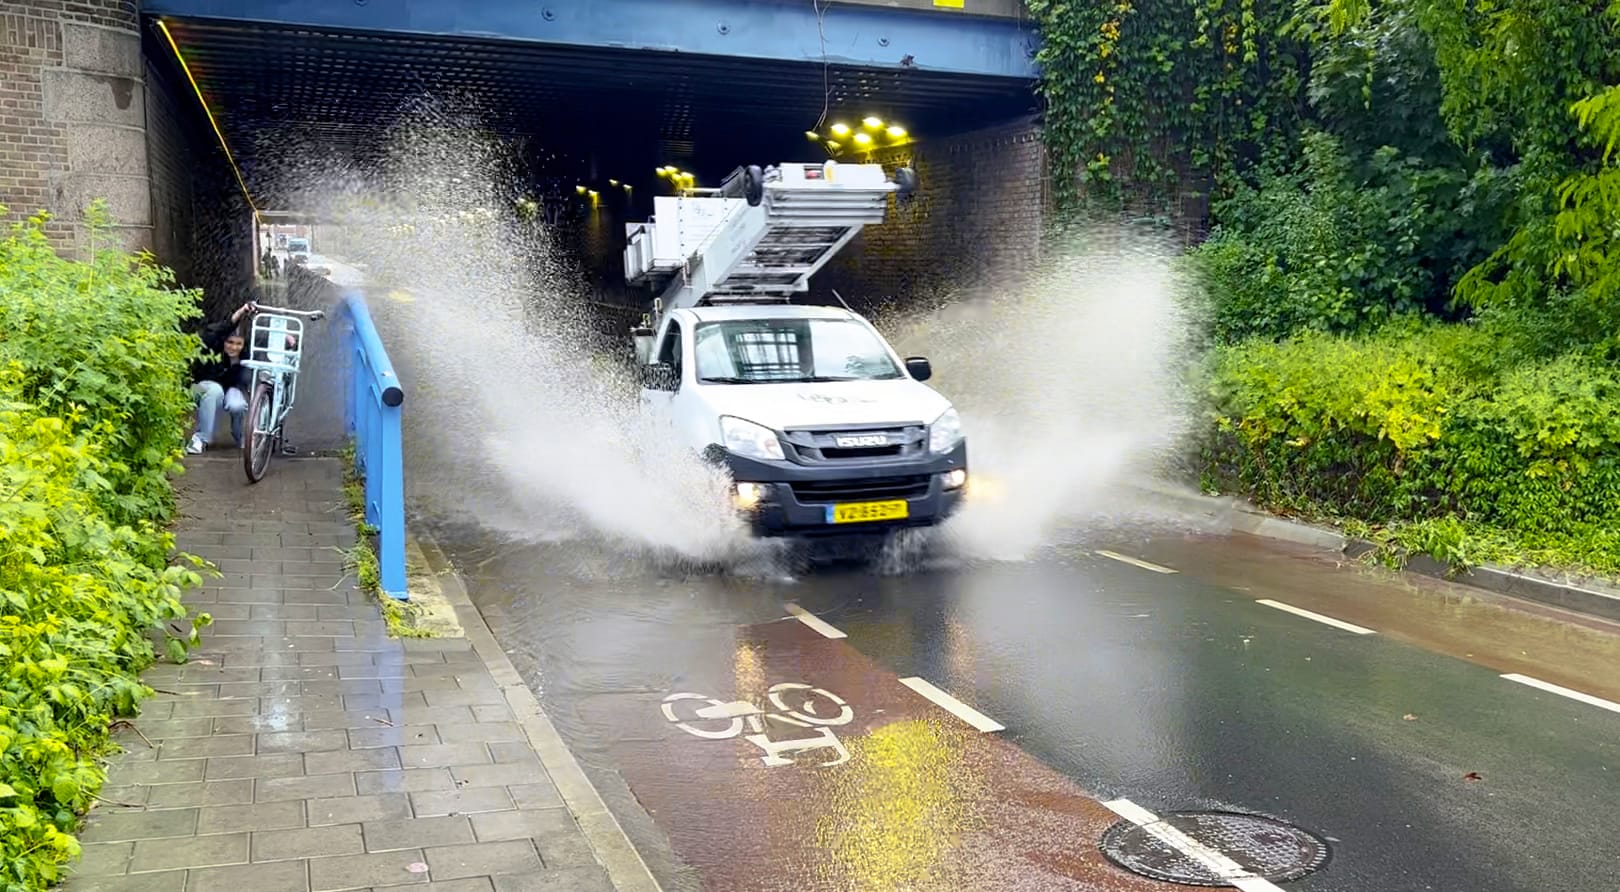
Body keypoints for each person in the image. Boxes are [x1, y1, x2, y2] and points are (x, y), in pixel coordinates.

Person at [186, 300, 257, 455]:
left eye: (238, 344)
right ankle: (200, 439)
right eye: (230, 342)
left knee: (237, 404)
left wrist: (287, 338)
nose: (233, 347)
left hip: (228, 391)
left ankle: (242, 438)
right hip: (200, 388)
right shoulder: (213, 346)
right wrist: (241, 312)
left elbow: (262, 339)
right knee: (215, 390)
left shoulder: (244, 356)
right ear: (223, 341)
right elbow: (219, 330)